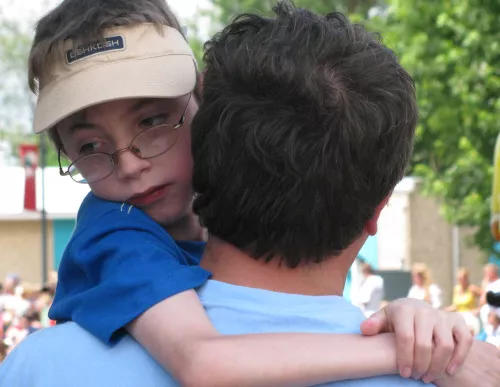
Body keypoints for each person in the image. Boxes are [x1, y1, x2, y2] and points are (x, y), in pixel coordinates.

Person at [2, 1, 498, 386]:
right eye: (89, 146)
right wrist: (407, 355)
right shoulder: (115, 236)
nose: (130, 163)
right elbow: (202, 364)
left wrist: (403, 315)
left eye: (153, 121)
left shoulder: (39, 364)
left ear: (205, 102)